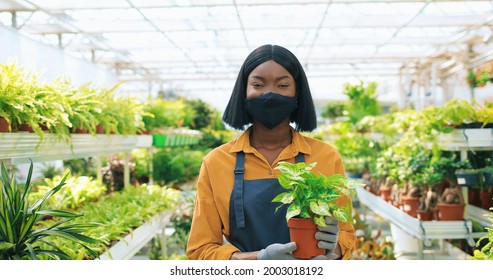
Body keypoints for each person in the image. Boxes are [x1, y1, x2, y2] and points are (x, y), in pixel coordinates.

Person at [186, 44, 356, 260]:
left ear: (298, 94)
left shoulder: (326, 157)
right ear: (244, 92)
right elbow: (200, 250)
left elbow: (347, 236)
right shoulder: (216, 162)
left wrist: (334, 251)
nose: (270, 94)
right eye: (258, 84)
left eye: (283, 85)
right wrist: (258, 260)